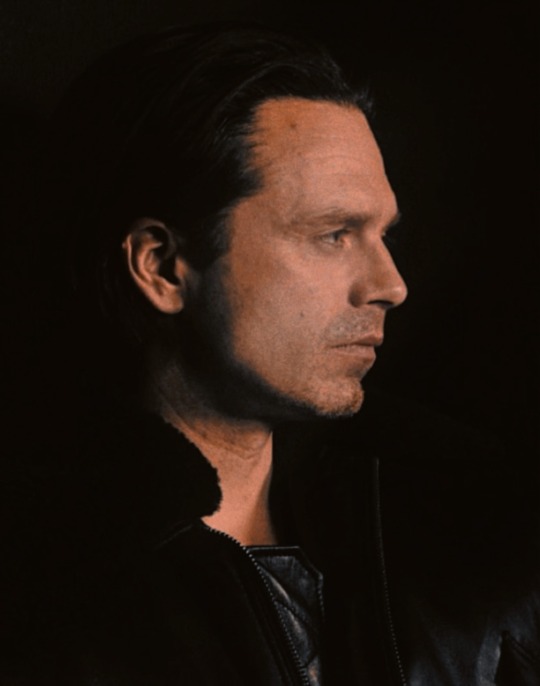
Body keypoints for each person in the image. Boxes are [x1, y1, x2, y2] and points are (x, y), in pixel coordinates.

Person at [2, 22, 539, 686]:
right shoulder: (43, 608)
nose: (391, 285)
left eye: (384, 236)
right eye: (334, 234)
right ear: (162, 267)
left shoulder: (466, 536)